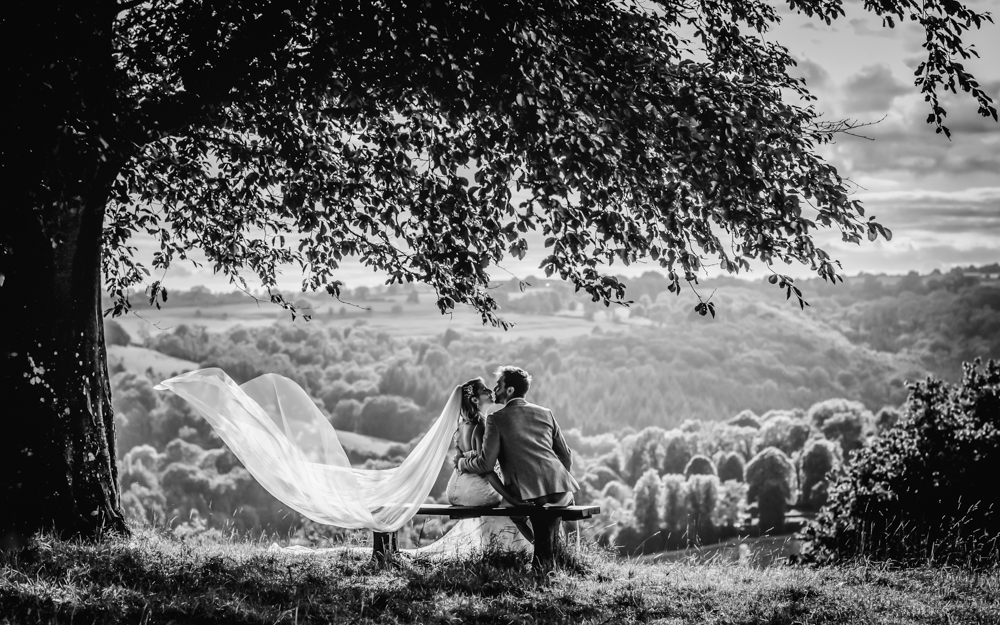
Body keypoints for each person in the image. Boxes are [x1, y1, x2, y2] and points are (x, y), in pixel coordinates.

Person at [457, 366, 579, 542]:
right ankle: (570, 553)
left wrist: (462, 463)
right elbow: (566, 456)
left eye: (498, 385)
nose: (495, 389)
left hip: (529, 495)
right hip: (561, 491)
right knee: (568, 507)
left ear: (510, 390)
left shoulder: (496, 419)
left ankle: (541, 547)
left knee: (516, 515)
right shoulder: (546, 413)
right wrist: (556, 479)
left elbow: (486, 464)